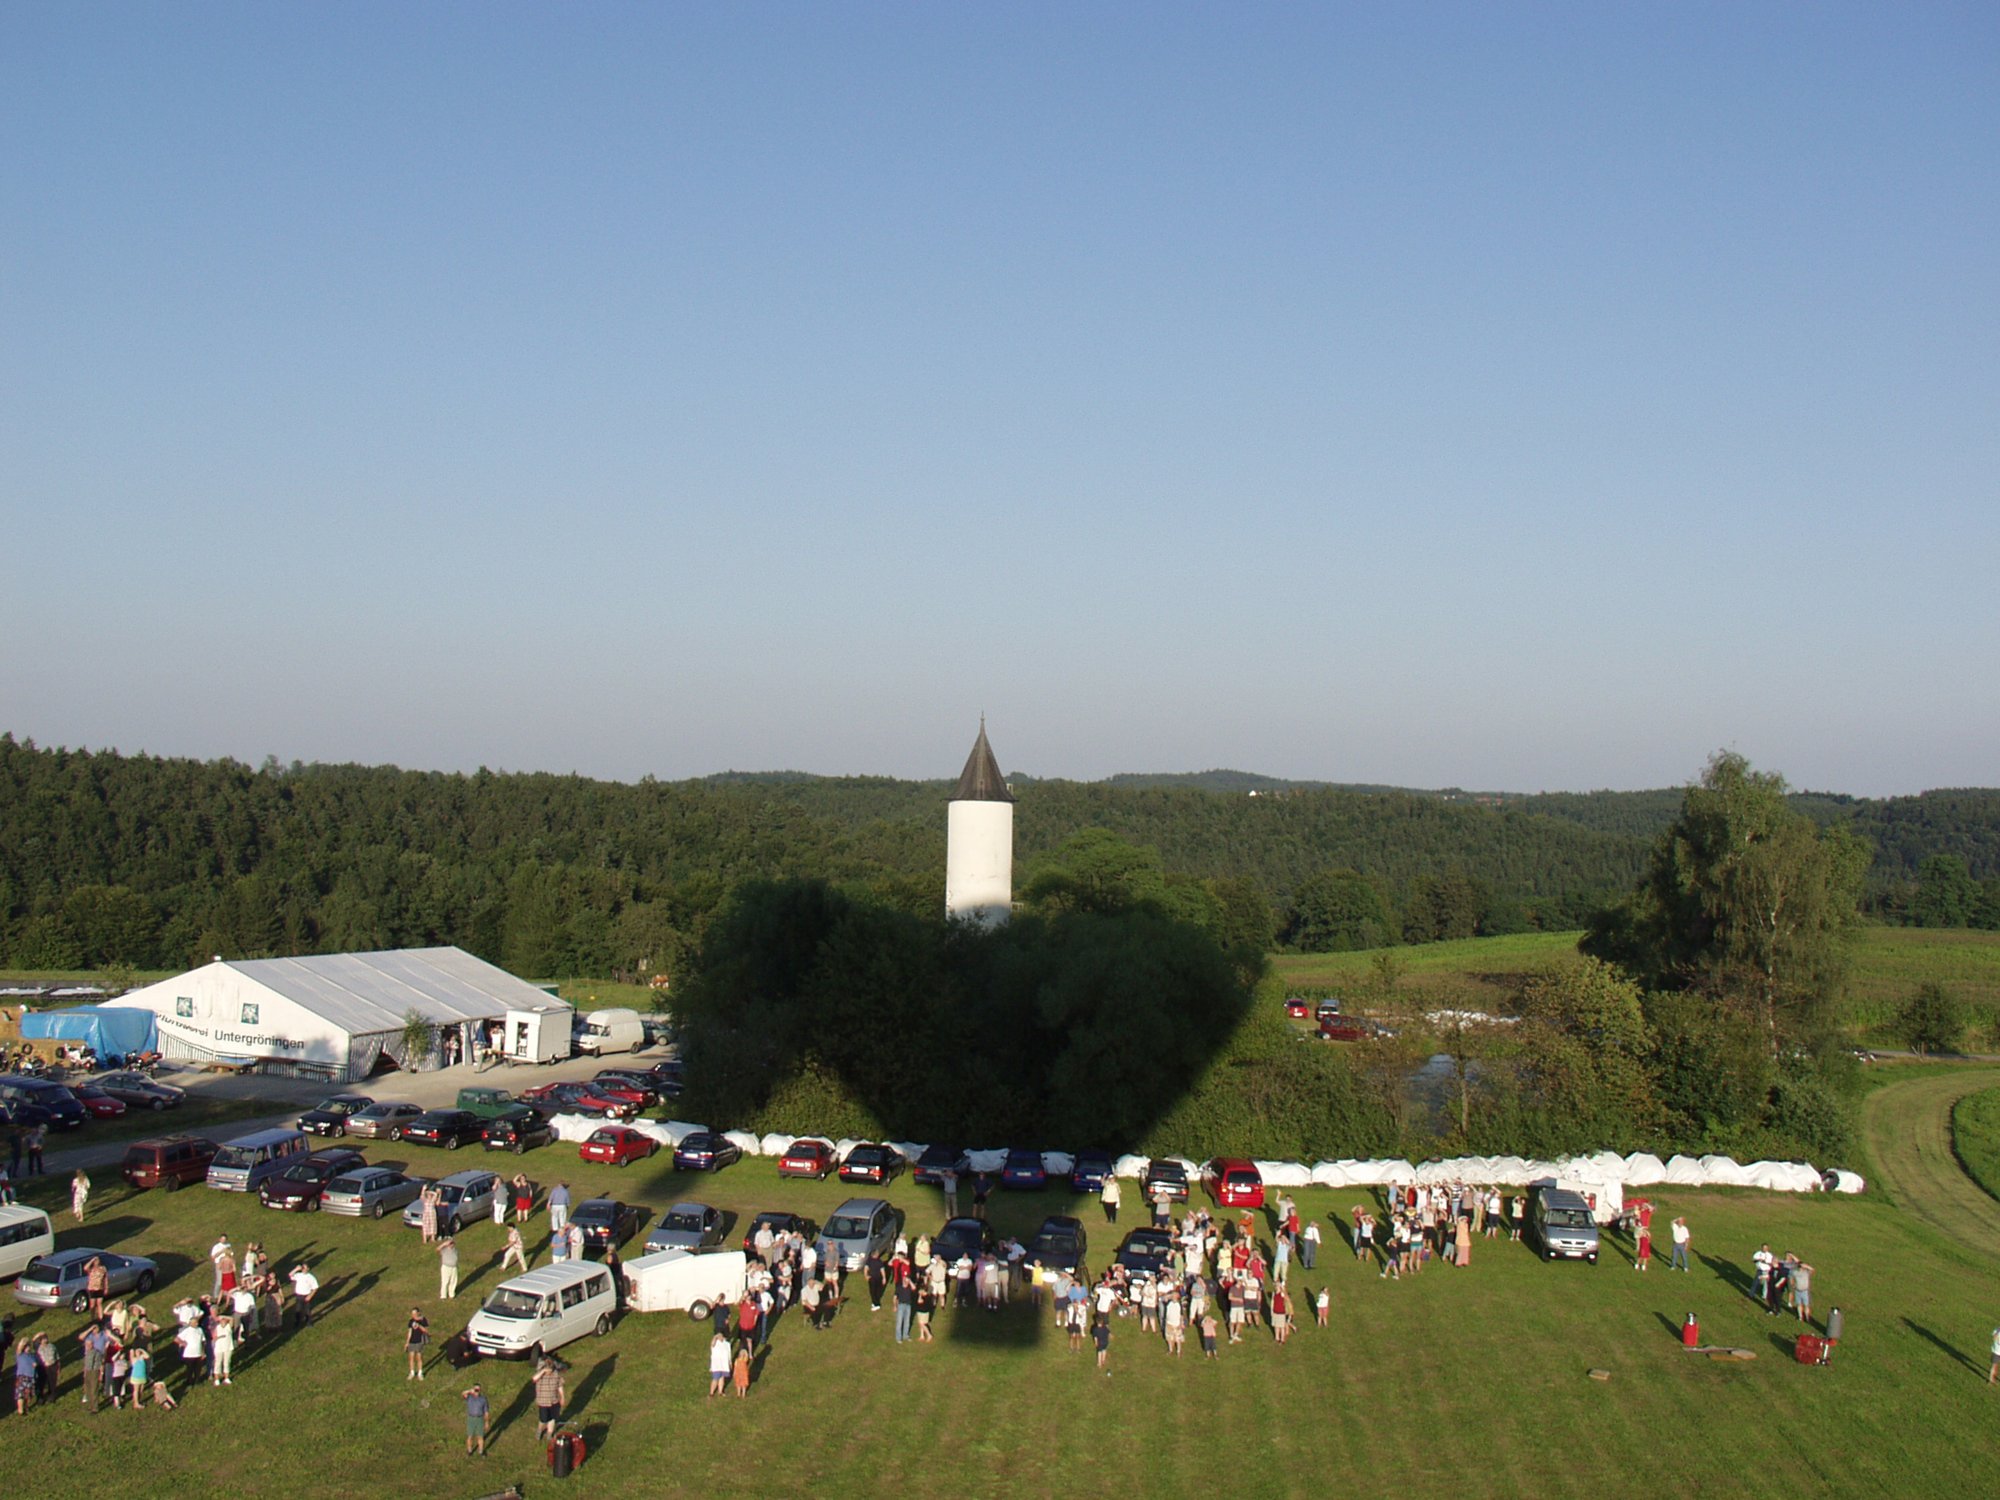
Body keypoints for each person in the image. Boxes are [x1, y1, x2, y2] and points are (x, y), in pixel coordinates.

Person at [532, 1356, 565, 1440]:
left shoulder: (556, 1374)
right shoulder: (540, 1375)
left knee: (552, 1418)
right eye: (548, 1370)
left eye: (551, 1370)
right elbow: (534, 1379)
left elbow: (559, 1385)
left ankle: (549, 1434)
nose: (549, 1372)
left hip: (554, 1400)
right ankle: (539, 1430)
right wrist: (543, 1371)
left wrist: (562, 1397)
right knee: (543, 1419)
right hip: (543, 1401)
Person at [461, 1382, 489, 1456]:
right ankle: (469, 1451)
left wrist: (486, 1422)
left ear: (480, 1390)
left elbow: (486, 1412)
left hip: (480, 1419)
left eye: (478, 1389)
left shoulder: (483, 1399)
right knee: (470, 1436)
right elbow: (463, 1394)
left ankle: (481, 1451)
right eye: (475, 1389)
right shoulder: (469, 1397)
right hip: (471, 1419)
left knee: (480, 1436)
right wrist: (470, 1391)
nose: (476, 1391)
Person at [406, 1308, 431, 1379]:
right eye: (412, 1313)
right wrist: (407, 1342)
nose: (413, 1315)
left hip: (419, 1341)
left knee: (419, 1357)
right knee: (411, 1357)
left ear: (418, 1313)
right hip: (412, 1341)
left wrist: (419, 1325)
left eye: (414, 1313)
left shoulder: (423, 1320)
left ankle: (420, 1372)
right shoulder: (411, 1321)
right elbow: (410, 1332)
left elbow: (426, 1331)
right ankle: (412, 1372)